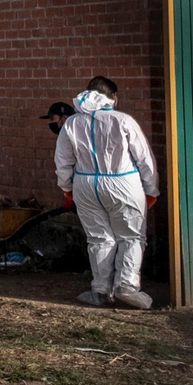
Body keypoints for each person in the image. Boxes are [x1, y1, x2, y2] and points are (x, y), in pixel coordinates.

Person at [54, 75, 159, 310]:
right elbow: (144, 160)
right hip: (123, 182)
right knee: (131, 236)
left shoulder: (71, 123)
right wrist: (151, 189)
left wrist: (67, 188)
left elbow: (62, 161)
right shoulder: (122, 121)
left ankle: (100, 290)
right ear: (113, 97)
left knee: (99, 238)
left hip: (85, 184)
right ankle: (127, 287)